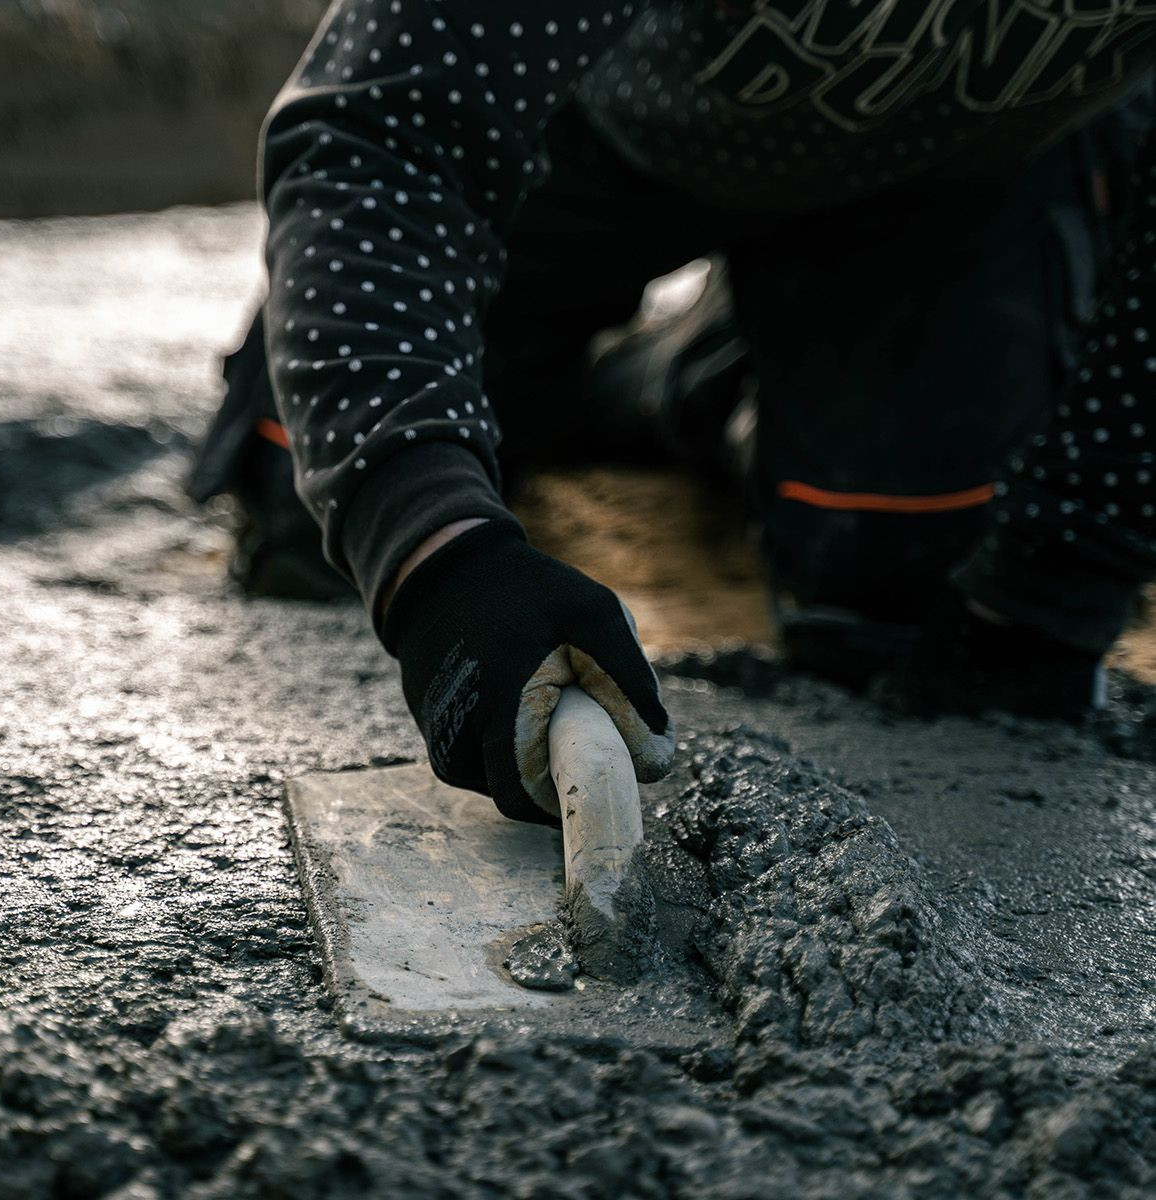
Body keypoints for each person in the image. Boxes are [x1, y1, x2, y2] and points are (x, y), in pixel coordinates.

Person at [190, 1, 1156, 826]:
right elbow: (385, 127)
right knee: (304, 498)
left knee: (910, 606)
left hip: (951, 178)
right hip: (589, 130)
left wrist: (1068, 560)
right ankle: (631, 379)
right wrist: (431, 550)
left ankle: (720, 379)